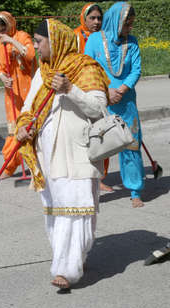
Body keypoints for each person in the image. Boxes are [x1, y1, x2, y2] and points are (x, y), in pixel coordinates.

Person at [16, 19, 109, 289]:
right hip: (47, 153)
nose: (35, 46)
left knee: (76, 207)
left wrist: (70, 90)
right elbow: (27, 109)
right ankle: (71, 257)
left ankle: (66, 270)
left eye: (38, 41)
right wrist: (23, 128)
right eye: (34, 41)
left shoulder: (84, 67)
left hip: (77, 152)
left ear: (55, 41)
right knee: (56, 210)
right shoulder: (43, 72)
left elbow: (98, 109)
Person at [85, 2, 146, 208]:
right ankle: (92, 189)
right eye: (126, 24)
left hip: (126, 101)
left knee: (131, 144)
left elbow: (136, 70)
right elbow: (89, 69)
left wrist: (122, 90)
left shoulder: (133, 42)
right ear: (115, 22)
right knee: (97, 145)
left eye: (131, 24)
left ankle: (135, 190)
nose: (129, 28)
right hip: (101, 100)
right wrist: (107, 90)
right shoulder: (94, 40)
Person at [0, 11, 37, 179]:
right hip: (12, 94)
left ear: (10, 25)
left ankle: (35, 168)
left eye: (3, 29)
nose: (1, 34)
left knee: (31, 130)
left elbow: (31, 55)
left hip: (29, 90)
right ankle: (9, 167)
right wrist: (3, 78)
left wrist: (11, 41)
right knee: (13, 132)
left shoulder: (22, 36)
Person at [73, 3, 112, 192]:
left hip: (100, 90)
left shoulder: (105, 37)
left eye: (99, 18)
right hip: (79, 92)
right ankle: (82, 176)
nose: (96, 22)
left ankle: (100, 176)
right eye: (92, 18)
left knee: (102, 134)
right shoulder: (75, 37)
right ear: (84, 19)